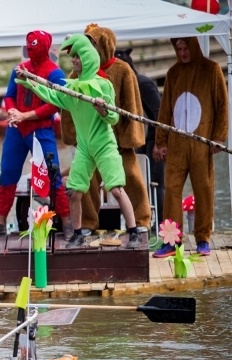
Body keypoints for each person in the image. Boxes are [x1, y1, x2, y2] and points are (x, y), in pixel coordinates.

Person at [16, 34, 144, 249]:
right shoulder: (72, 88)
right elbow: (53, 96)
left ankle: (133, 232)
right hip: (84, 147)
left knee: (116, 189)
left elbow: (114, 117)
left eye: (77, 56)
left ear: (88, 58)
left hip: (104, 144)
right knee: (74, 192)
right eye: (72, 57)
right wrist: (29, 83)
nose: (73, 60)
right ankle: (77, 234)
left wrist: (103, 110)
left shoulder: (103, 86)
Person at [0, 30, 72, 241]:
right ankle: (0, 223)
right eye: (29, 44)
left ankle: (67, 223)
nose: (30, 48)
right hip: (17, 129)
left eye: (34, 44)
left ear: (45, 47)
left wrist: (25, 115)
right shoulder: (20, 69)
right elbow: (10, 95)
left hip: (40, 130)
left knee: (53, 174)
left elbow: (55, 104)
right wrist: (13, 112)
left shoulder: (55, 73)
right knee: (8, 173)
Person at [61, 25, 150, 238]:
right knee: (86, 183)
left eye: (94, 45)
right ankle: (87, 223)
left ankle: (140, 222)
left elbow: (132, 104)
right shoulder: (77, 73)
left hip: (118, 140)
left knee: (130, 178)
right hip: (90, 140)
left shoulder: (122, 69)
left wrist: (131, 135)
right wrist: (73, 135)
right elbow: (68, 109)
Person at [152, 37, 228, 258]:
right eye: (179, 48)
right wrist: (161, 141)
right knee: (172, 191)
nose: (183, 52)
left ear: (193, 47)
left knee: (203, 189)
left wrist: (218, 137)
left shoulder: (211, 70)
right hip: (176, 144)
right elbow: (165, 109)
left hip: (201, 144)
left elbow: (222, 105)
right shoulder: (173, 73)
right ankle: (171, 240)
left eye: (186, 48)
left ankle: (203, 238)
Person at [115, 48, 165, 224]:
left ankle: (160, 225)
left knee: (156, 184)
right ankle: (147, 222)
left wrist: (159, 143)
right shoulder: (128, 85)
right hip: (141, 140)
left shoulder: (142, 83)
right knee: (143, 183)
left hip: (155, 139)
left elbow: (160, 113)